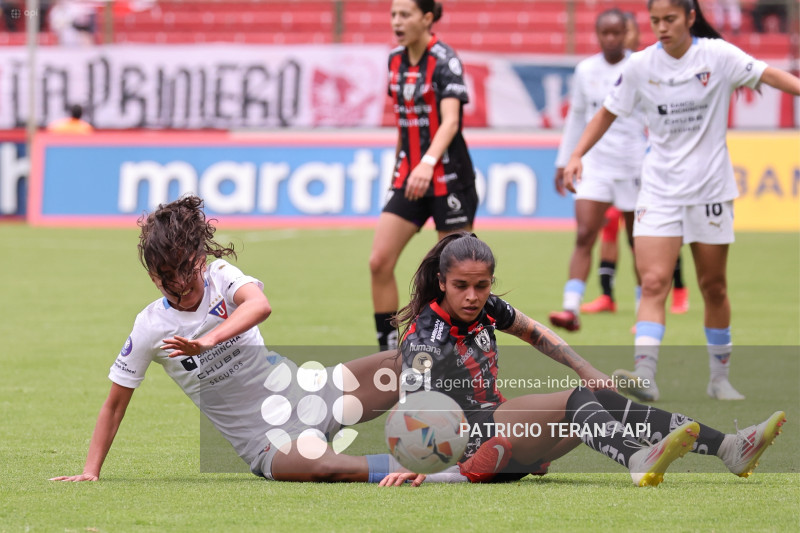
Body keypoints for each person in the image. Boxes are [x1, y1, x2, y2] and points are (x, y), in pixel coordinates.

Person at [50, 195, 442, 484]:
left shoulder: (221, 276)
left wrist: (208, 341)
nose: (180, 284)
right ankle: (416, 469)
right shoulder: (149, 327)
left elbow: (260, 305)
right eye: (166, 277)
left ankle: (481, 428)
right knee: (323, 466)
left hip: (314, 391)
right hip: (268, 441)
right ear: (153, 276)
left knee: (407, 363)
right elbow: (114, 405)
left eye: (186, 270)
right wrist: (90, 471)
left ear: (200, 257)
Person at [379, 232, 785, 487]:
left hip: (500, 430)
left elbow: (535, 332)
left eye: (481, 286)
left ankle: (731, 448)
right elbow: (415, 409)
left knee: (596, 394)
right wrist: (420, 462)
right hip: (470, 436)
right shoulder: (426, 336)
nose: (472, 296)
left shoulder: (486, 306)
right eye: (461, 286)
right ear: (441, 282)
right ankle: (635, 457)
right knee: (575, 399)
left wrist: (585, 367)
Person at [563, 0, 800, 401]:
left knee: (713, 286)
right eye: (655, 21)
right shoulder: (639, 66)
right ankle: (645, 373)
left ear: (690, 17)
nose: (662, 28)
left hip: (710, 190)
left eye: (670, 19)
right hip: (658, 190)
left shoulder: (717, 55)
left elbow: (771, 75)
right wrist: (575, 154)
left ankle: (719, 377)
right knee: (654, 281)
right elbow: (606, 113)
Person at [370, 0, 478, 350]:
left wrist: (428, 162)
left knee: (458, 274)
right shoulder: (394, 60)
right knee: (379, 261)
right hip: (410, 177)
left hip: (449, 178)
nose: (396, 22)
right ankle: (388, 350)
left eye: (405, 15)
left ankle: (460, 349)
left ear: (427, 18)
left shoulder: (445, 60)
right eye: (393, 15)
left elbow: (450, 121)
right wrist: (397, 171)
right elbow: (405, 121)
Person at [549, 9, 646, 332]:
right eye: (605, 33)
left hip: (633, 164)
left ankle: (645, 311)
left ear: (626, 33)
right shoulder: (585, 70)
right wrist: (564, 160)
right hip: (595, 164)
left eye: (617, 33)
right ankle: (570, 308)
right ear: (597, 34)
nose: (611, 39)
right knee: (584, 234)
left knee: (638, 240)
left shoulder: (640, 66)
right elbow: (577, 116)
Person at [582, 208, 690, 316]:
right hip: (619, 191)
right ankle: (607, 296)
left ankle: (678, 290)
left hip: (644, 195)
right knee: (609, 226)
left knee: (662, 236)